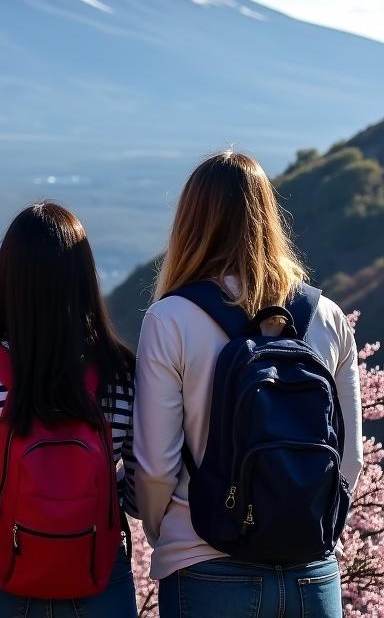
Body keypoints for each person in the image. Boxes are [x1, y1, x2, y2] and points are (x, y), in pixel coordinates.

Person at [133, 151, 363, 618]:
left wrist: (171, 535)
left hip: (207, 569)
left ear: (190, 223)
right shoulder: (329, 317)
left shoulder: (171, 319)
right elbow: (350, 459)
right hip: (312, 573)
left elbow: (156, 466)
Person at [0, 202, 138, 618]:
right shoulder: (121, 379)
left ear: (7, 280)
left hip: (2, 578)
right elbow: (138, 499)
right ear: (84, 279)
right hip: (99, 574)